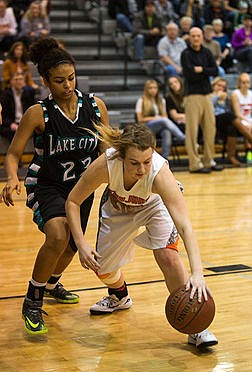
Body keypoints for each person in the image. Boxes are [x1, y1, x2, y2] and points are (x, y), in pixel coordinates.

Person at [65, 122, 218, 349]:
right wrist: (81, 243)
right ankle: (120, 296)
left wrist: (197, 273)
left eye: (147, 161)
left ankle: (196, 327)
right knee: (103, 267)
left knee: (167, 256)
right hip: (118, 207)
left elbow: (185, 226)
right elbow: (73, 201)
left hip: (154, 206)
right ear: (121, 156)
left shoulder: (159, 173)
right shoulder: (106, 164)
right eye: (134, 163)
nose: (142, 169)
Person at [0, 37, 109, 335]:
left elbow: (104, 153)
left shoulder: (96, 107)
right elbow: (13, 153)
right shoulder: (39, 113)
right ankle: (32, 300)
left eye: (71, 78)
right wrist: (12, 179)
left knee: (73, 246)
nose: (68, 85)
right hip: (48, 184)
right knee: (58, 235)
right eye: (59, 81)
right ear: (46, 81)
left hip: (83, 187)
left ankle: (50, 284)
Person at [181, 27, 223, 173]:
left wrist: (201, 70)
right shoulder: (185, 54)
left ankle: (208, 160)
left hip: (207, 95)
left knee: (211, 129)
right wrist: (205, 71)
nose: (196, 38)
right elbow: (189, 74)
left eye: (198, 35)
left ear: (202, 37)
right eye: (193, 36)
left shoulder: (207, 52)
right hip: (192, 95)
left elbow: (215, 70)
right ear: (190, 38)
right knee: (192, 131)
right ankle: (194, 164)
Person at [135, 79, 185, 159]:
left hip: (160, 126)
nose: (153, 90)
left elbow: (165, 117)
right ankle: (183, 138)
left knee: (166, 132)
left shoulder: (161, 100)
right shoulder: (141, 100)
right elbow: (140, 119)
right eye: (150, 88)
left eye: (155, 88)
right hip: (146, 127)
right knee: (163, 121)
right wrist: (155, 118)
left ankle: (164, 158)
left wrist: (160, 119)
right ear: (146, 89)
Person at [211, 76, 252, 166]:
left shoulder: (225, 97)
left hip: (226, 122)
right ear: (214, 85)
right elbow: (209, 107)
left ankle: (231, 156)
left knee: (232, 128)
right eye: (219, 85)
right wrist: (217, 97)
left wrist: (225, 100)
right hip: (213, 119)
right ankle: (250, 138)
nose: (221, 88)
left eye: (223, 87)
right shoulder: (209, 95)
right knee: (229, 115)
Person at [0, 71, 35, 144]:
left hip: (24, 123)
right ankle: (14, 154)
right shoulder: (5, 94)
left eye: (21, 79)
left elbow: (32, 112)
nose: (19, 82)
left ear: (24, 81)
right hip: (11, 124)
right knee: (11, 132)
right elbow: (3, 115)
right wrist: (11, 124)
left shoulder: (28, 94)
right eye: (16, 79)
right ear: (11, 81)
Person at [231, 72, 252, 163]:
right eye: (243, 82)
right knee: (248, 127)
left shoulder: (251, 94)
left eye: (247, 82)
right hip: (240, 119)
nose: (246, 85)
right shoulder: (235, 94)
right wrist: (249, 122)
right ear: (239, 83)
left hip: (249, 118)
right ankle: (249, 153)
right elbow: (237, 113)